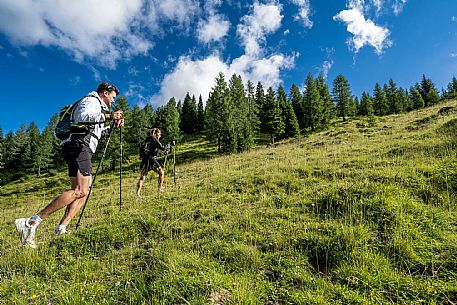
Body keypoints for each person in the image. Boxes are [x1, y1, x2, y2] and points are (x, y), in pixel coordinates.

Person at [15, 82, 125, 248]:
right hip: (80, 145)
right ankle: (31, 222)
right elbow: (82, 117)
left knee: (82, 192)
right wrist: (110, 116)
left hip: (75, 144)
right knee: (81, 191)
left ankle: (61, 228)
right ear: (105, 92)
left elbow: (97, 132)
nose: (113, 102)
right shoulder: (92, 101)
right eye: (113, 97)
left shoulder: (97, 108)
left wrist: (112, 126)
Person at [136, 128, 174, 198]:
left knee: (142, 176)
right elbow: (162, 147)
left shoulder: (147, 139)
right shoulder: (154, 139)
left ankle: (137, 194)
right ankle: (160, 188)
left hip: (145, 159)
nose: (160, 136)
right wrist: (170, 145)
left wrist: (162, 153)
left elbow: (153, 151)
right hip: (151, 159)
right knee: (161, 173)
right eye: (159, 134)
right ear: (156, 134)